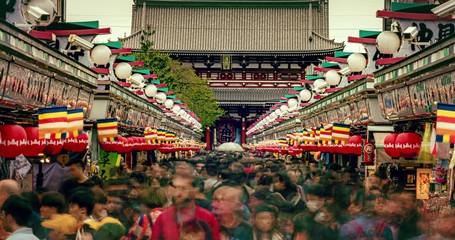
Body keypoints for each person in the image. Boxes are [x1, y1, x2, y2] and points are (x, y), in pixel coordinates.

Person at [152, 172, 220, 240]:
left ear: (195, 191)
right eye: (175, 188)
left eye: (183, 188)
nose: (178, 193)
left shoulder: (208, 218)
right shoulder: (163, 217)